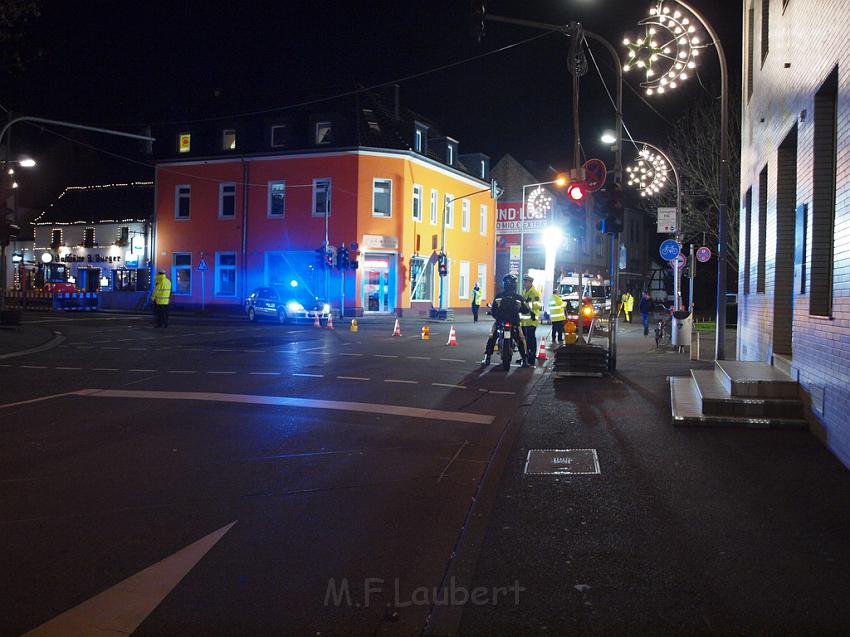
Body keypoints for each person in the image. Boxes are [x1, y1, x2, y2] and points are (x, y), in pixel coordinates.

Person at [481, 274, 530, 367]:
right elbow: (526, 310)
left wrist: (495, 315)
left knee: (492, 336)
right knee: (521, 339)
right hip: (514, 322)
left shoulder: (499, 296)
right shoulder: (518, 297)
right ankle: (524, 360)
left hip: (501, 321)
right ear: (515, 284)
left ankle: (487, 358)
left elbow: (494, 310)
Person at [520, 273, 543, 365]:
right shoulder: (524, 291)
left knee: (531, 341)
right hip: (524, 321)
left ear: (530, 282)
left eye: (526, 282)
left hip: (531, 321)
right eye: (524, 281)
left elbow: (538, 305)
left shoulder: (534, 293)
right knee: (524, 341)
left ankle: (531, 358)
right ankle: (525, 357)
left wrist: (527, 305)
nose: (524, 283)